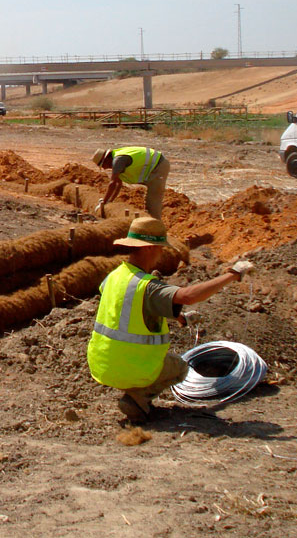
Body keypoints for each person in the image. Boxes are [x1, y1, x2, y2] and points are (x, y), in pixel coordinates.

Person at [86, 216, 254, 423]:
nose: (161, 253)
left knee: (143, 364)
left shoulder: (115, 276)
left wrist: (177, 316)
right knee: (180, 368)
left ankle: (134, 389)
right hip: (129, 367)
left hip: (101, 364)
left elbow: (128, 307)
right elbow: (189, 296)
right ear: (148, 248)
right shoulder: (146, 285)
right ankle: (137, 398)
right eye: (159, 248)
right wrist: (233, 274)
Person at [91, 146, 171, 219]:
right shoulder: (117, 159)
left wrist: (104, 202)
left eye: (103, 165)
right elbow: (118, 184)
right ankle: (149, 224)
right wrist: (110, 201)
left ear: (106, 159)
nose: (104, 168)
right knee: (149, 202)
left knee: (152, 200)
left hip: (158, 166)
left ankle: (155, 229)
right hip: (152, 169)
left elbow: (113, 183)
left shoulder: (118, 160)